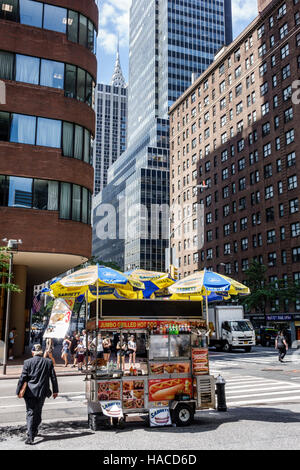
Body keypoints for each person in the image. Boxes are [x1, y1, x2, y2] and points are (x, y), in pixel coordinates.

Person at [16, 343, 58, 445]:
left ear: (32, 352)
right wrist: (55, 390)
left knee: (30, 412)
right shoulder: (48, 362)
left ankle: (31, 436)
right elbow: (53, 377)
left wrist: (18, 391)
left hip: (30, 392)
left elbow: (23, 378)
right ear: (41, 352)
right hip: (42, 392)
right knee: (38, 411)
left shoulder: (27, 362)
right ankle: (34, 431)